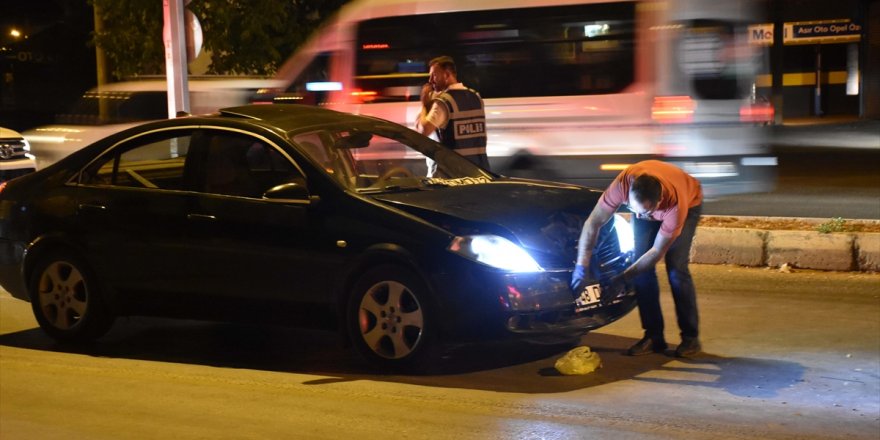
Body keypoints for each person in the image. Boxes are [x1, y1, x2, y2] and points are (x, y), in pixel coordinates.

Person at [571, 160, 704, 358]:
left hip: (691, 199)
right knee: (641, 271)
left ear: (658, 203)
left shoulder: (675, 206)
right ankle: (653, 336)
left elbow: (656, 253)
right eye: (634, 211)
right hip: (647, 202)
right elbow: (593, 223)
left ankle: (690, 338)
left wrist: (622, 278)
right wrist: (581, 266)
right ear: (629, 195)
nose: (640, 217)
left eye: (646, 213)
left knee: (676, 269)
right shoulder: (624, 184)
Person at [417, 56, 490, 172]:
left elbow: (423, 131)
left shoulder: (444, 102)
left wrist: (424, 103)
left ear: (446, 75)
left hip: (455, 174)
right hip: (481, 171)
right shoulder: (476, 97)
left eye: (434, 75)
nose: (430, 80)